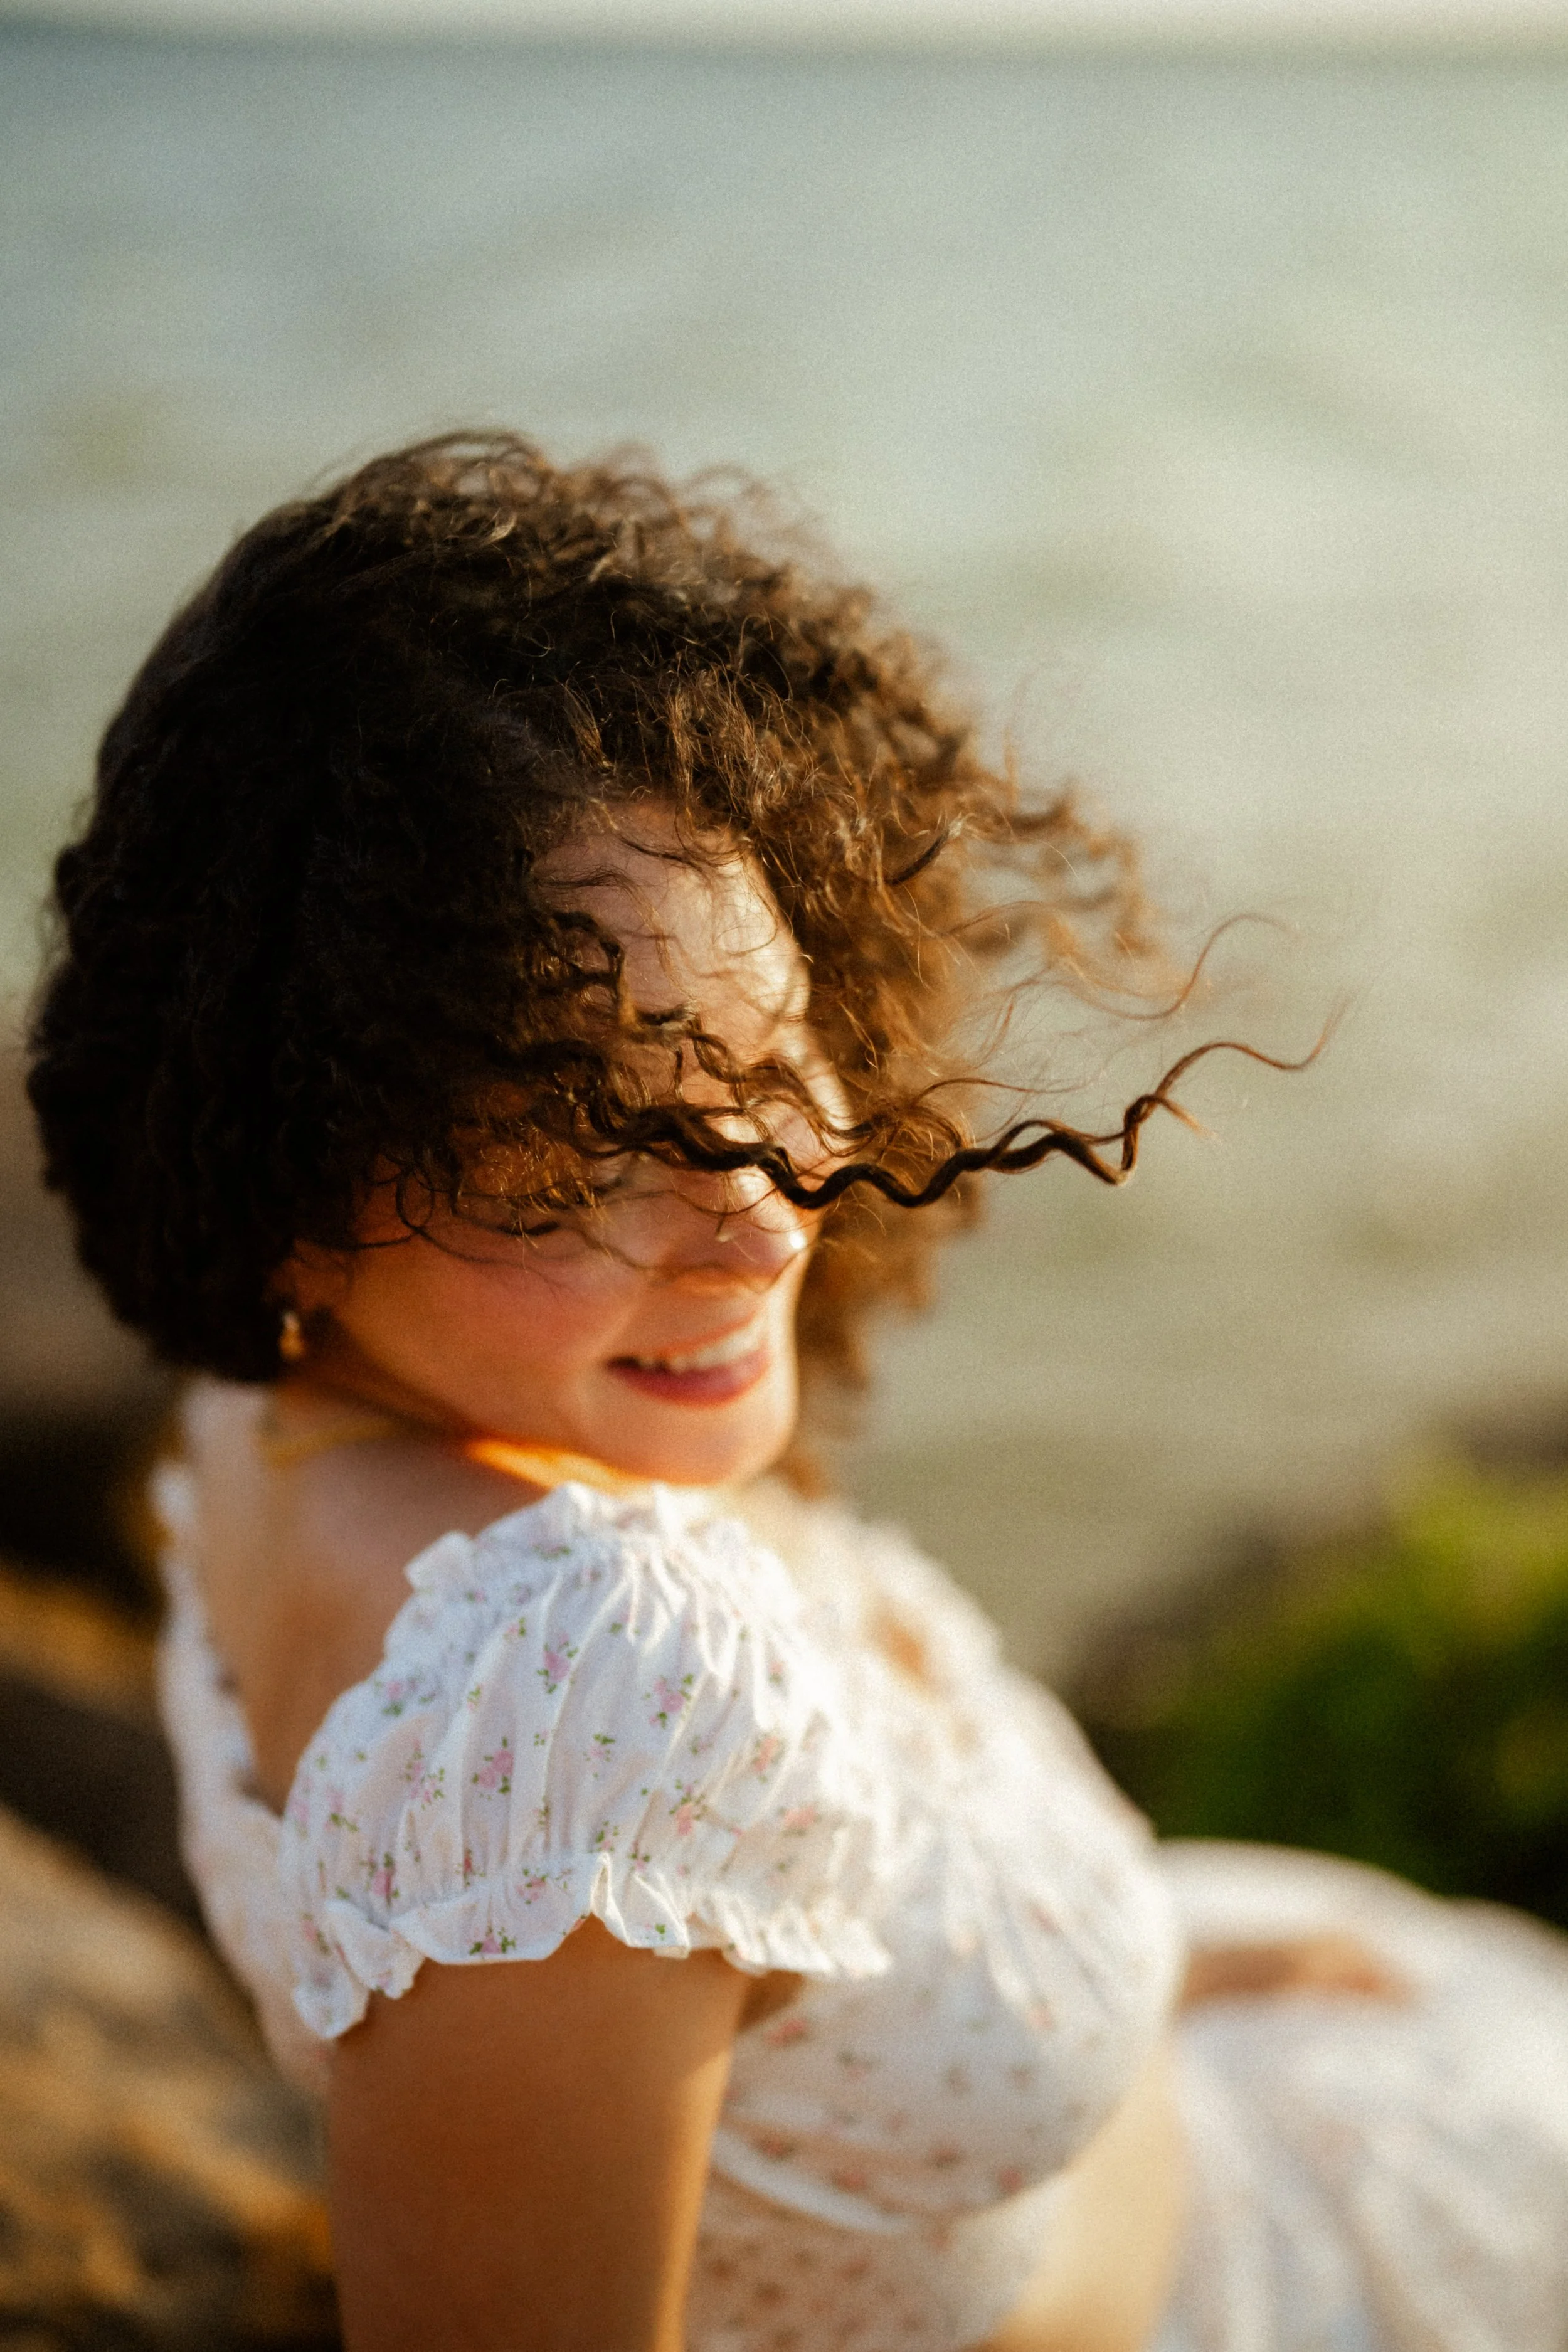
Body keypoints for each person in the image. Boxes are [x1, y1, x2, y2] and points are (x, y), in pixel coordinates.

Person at [26, 435, 1568, 2352]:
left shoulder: (262, 1424)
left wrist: (1167, 1960)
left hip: (1287, 2109)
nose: (762, 1224)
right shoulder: (583, 1667)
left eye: (768, 1064)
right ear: (288, 1182)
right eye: (580, 1159)